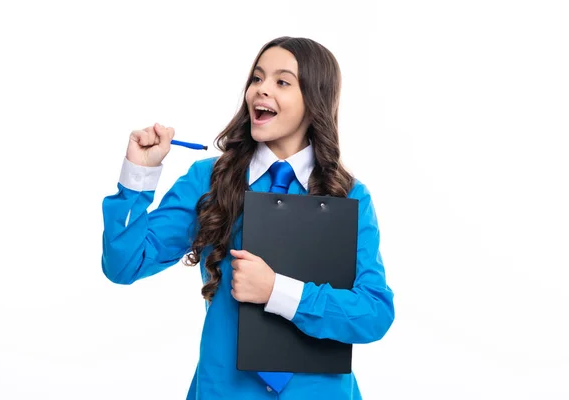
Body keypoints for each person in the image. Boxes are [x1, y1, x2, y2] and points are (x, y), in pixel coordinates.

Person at [101, 36, 395, 399]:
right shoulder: (208, 180)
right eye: (257, 78)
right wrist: (138, 176)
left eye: (281, 82)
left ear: (315, 99)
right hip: (223, 389)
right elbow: (124, 264)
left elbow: (373, 313)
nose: (260, 90)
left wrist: (277, 291)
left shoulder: (349, 196)